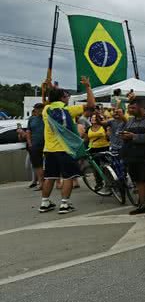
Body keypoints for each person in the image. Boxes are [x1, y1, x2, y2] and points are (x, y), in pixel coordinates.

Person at [39, 77, 95, 214]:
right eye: (67, 96)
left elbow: (47, 100)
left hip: (49, 150)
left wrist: (47, 88)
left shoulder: (46, 110)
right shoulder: (69, 110)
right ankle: (65, 204)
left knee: (50, 177)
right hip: (66, 149)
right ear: (62, 98)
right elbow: (91, 105)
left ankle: (44, 203)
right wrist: (88, 87)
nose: (68, 98)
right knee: (68, 177)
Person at [26, 103, 45, 190]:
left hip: (47, 144)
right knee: (37, 165)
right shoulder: (32, 119)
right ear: (35, 109)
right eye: (37, 108)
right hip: (35, 145)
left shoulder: (47, 118)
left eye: (41, 108)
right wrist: (29, 143)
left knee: (49, 164)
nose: (39, 110)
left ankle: (57, 182)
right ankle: (41, 183)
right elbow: (28, 131)